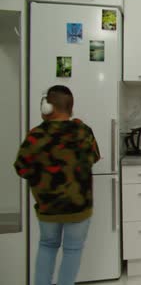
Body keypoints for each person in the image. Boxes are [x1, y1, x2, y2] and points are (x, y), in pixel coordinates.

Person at [14, 85, 100, 285]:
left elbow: (21, 167)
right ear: (71, 107)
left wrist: (41, 176)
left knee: (47, 245)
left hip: (47, 208)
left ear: (47, 107)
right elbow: (93, 157)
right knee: (73, 250)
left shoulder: (36, 135)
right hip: (79, 207)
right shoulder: (83, 131)